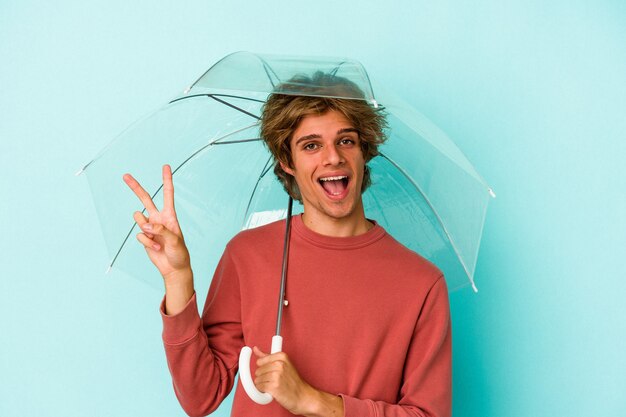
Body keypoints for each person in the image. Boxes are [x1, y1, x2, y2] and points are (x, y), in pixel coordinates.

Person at [123, 72, 451, 417]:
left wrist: (313, 401)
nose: (332, 158)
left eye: (346, 141)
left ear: (364, 152)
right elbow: (200, 397)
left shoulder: (421, 283)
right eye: (311, 145)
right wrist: (177, 278)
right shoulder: (247, 255)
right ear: (286, 162)